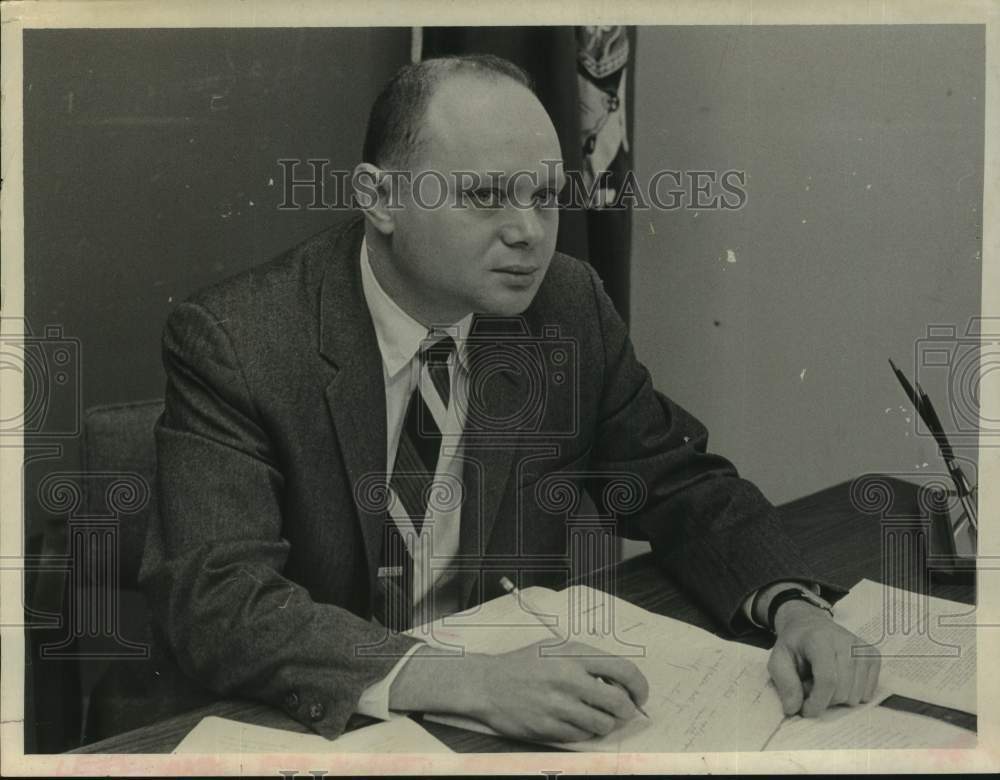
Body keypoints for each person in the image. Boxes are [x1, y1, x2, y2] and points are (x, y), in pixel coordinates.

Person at [140, 54, 880, 745]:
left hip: (508, 721)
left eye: (547, 196)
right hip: (320, 719)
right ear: (380, 198)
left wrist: (794, 607)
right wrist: (465, 682)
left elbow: (679, 482)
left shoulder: (566, 305)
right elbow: (219, 601)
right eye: (486, 195)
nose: (529, 233)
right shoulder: (239, 340)